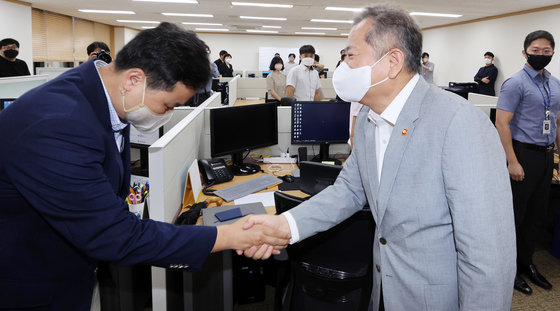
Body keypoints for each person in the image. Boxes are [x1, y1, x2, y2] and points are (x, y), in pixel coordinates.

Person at [240, 4, 516, 310]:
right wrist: (285, 225)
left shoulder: (459, 123)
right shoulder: (371, 119)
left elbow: (488, 258)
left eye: (351, 56)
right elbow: (348, 190)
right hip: (383, 292)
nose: (343, 67)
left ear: (392, 61)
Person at [0, 22, 289, 310]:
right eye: (168, 105)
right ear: (134, 79)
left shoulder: (107, 96)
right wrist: (230, 235)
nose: (168, 114)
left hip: (73, 268)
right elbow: (114, 236)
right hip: (29, 285)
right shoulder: (58, 124)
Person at [495, 30, 559, 296]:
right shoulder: (515, 83)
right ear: (525, 52)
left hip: (545, 155)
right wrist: (512, 161)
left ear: (553, 52)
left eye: (547, 51)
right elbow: (502, 123)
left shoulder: (554, 83)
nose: (541, 55)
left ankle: (527, 264)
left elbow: (557, 121)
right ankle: (507, 270)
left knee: (535, 216)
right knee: (516, 217)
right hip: (522, 154)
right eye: (535, 51)